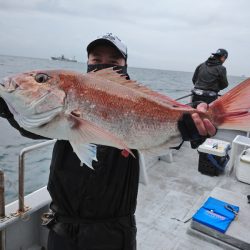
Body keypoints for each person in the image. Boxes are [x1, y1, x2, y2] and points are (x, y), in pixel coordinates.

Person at [0, 33, 216, 250]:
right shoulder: (68, 100)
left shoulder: (136, 100)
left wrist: (191, 126)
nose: (103, 65)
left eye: (113, 62)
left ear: (125, 65)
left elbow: (162, 125)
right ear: (87, 63)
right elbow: (36, 128)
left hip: (114, 231)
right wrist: (10, 110)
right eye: (96, 60)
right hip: (62, 225)